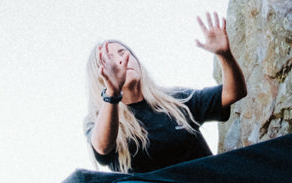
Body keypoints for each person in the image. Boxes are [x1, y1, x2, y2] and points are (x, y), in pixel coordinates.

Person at [85, 14, 248, 174]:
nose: (122, 60)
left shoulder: (176, 100)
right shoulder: (98, 120)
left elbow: (233, 93)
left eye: (123, 52)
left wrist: (224, 55)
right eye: (109, 60)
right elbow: (102, 147)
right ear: (99, 76)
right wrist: (112, 93)